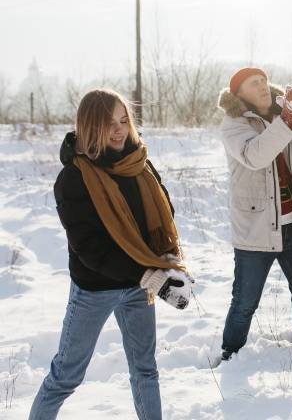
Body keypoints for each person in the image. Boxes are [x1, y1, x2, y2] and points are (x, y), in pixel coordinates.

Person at [29, 89, 193, 420]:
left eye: (123, 120)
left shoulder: (139, 164)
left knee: (145, 370)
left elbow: (163, 212)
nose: (119, 130)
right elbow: (89, 248)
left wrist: (165, 261)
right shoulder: (74, 178)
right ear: (90, 126)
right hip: (95, 290)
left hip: (141, 286)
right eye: (109, 124)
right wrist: (146, 274)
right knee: (66, 375)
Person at [216, 67, 292, 361]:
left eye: (264, 80)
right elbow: (255, 155)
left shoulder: (285, 112)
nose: (262, 86)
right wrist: (288, 122)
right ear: (238, 93)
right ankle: (230, 354)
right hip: (256, 229)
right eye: (253, 83)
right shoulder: (233, 124)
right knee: (245, 301)